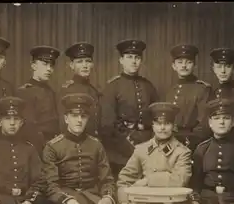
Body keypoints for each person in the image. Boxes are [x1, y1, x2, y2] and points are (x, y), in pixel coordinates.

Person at [100, 39, 159, 176]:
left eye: (137, 57)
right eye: (129, 57)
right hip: (121, 149)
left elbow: (157, 117)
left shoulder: (148, 86)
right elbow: (107, 124)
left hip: (148, 145)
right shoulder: (112, 86)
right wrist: (127, 145)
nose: (134, 61)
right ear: (121, 60)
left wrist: (150, 144)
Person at [165, 44, 211, 150]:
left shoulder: (203, 89)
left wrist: (190, 142)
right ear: (174, 66)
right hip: (170, 141)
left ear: (194, 66)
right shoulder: (171, 90)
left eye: (188, 62)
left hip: (191, 142)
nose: (184, 66)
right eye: (180, 62)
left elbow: (203, 125)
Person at [16, 45, 61, 153]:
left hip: (53, 146)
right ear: (34, 66)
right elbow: (29, 127)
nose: (49, 69)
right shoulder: (25, 91)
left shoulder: (51, 91)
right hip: (36, 147)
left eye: (51, 65)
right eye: (45, 64)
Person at [59, 42, 101, 137]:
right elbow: (62, 125)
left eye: (88, 61)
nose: (85, 65)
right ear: (71, 65)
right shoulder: (67, 90)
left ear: (92, 64)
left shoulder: (95, 90)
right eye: (80, 62)